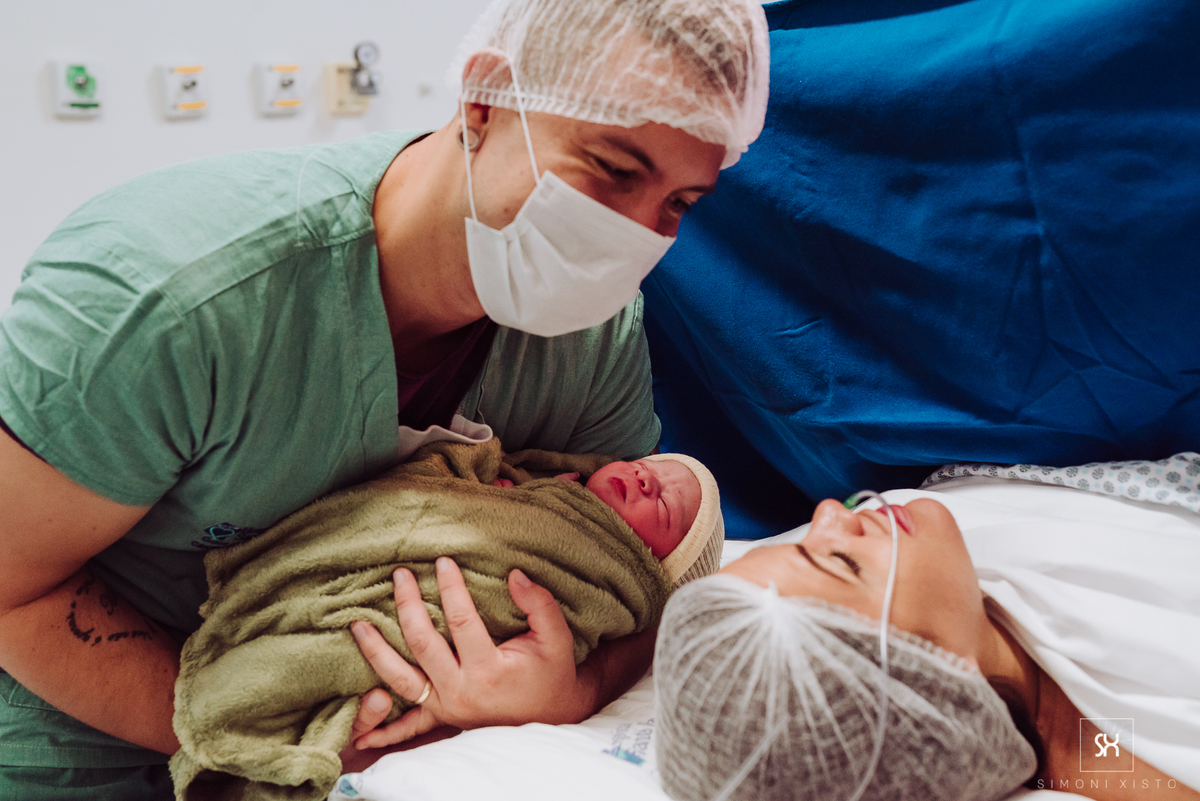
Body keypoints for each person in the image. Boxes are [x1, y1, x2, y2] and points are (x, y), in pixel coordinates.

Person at [0, 0, 769, 796]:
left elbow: (637, 582)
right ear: (485, 101)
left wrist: (578, 686)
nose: (638, 234)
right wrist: (271, 737)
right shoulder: (173, 299)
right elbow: (10, 587)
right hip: (78, 747)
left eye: (679, 203)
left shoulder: (590, 335)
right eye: (613, 170)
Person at [169, 438, 723, 799]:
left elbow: (644, 617)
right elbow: (444, 478)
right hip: (374, 556)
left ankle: (264, 723)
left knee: (348, 672)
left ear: (652, 566)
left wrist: (576, 692)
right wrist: (496, 495)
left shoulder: (610, 577)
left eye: (665, 507)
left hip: (450, 628)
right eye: (647, 466)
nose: (646, 479)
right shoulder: (538, 481)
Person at [653, 466, 1200, 801]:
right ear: (930, 681)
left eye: (799, 543)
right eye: (843, 562)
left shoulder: (950, 563)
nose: (831, 513)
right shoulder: (1149, 753)